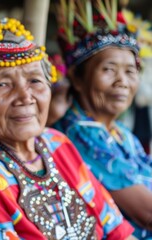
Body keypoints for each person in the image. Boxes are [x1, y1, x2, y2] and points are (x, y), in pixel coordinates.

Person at [0, 17, 135, 239]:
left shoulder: (56, 143)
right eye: (3, 84)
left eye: (35, 81)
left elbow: (117, 230)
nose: (25, 97)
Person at [52, 0, 152, 238]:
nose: (122, 82)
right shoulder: (78, 134)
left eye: (130, 71)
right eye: (108, 69)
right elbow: (147, 213)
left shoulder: (119, 133)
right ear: (77, 78)